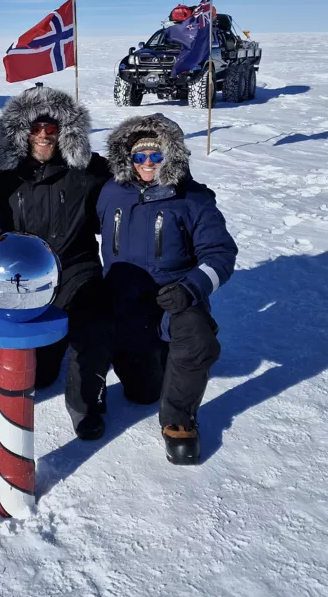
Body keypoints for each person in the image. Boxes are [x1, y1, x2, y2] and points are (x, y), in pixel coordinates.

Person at [97, 113, 238, 464]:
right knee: (142, 392)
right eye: (140, 156)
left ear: (170, 155)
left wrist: (191, 288)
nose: (148, 163)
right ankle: (154, 361)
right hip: (127, 297)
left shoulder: (193, 198)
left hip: (175, 294)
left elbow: (220, 253)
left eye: (156, 155)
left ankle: (179, 419)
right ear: (126, 158)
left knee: (198, 338)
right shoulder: (111, 191)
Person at [0, 84, 113, 440]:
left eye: (51, 128)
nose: (42, 136)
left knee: (96, 327)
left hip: (76, 269)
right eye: (34, 128)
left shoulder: (88, 171)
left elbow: (139, 177)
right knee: (40, 375)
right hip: (24, 280)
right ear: (18, 132)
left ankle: (85, 405)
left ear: (66, 132)